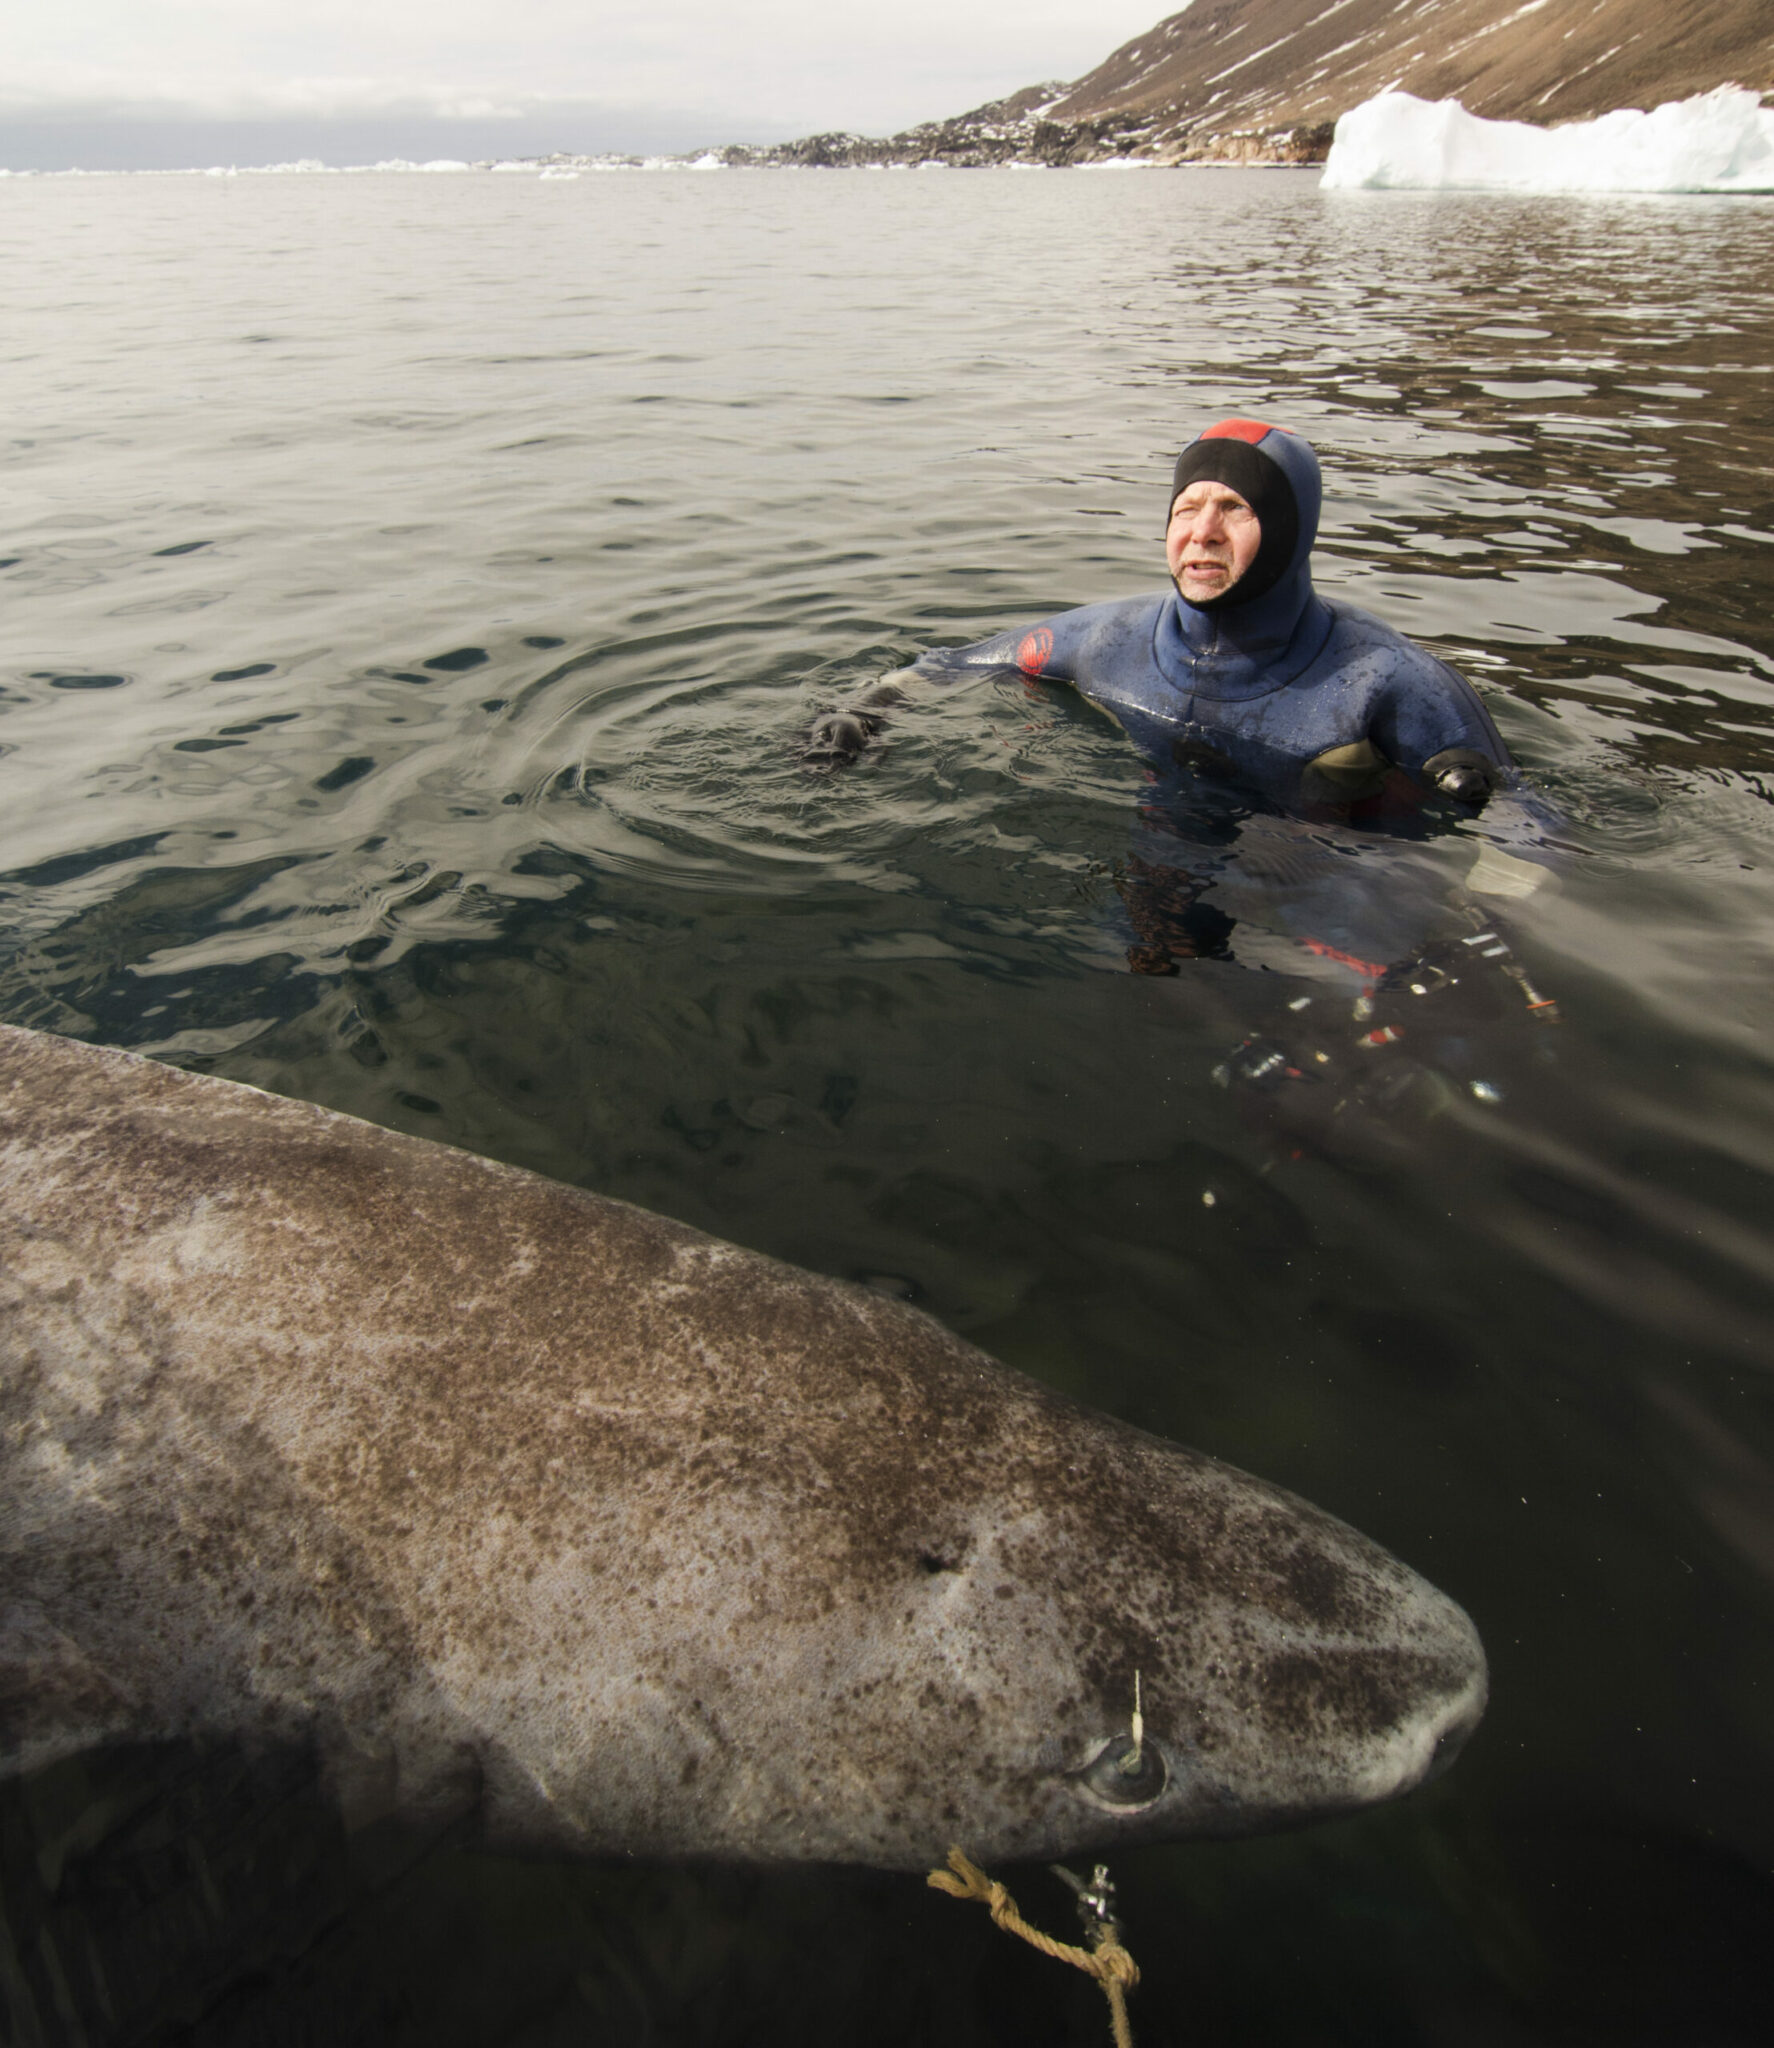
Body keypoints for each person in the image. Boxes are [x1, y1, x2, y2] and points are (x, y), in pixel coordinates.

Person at [805, 418, 1513, 813]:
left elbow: (1523, 831)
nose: (1202, 533)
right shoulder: (1106, 641)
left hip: (1336, 870)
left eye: (1234, 509)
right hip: (1163, 846)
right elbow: (949, 667)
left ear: (1292, 530)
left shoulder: (1386, 681)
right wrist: (859, 714)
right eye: (1186, 510)